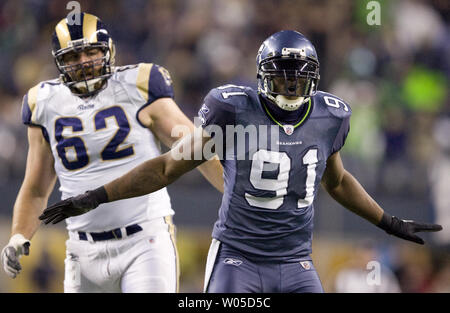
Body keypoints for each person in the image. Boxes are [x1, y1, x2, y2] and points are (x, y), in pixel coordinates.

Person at [38, 30, 442, 293]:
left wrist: (387, 221)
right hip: (239, 258)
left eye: (297, 77)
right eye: (281, 76)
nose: (289, 85)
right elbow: (165, 167)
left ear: (313, 79)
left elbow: (336, 182)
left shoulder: (330, 115)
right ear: (263, 76)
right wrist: (98, 195)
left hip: (297, 261)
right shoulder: (231, 109)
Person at [1, 13, 223, 293]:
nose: (83, 64)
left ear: (107, 51)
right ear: (59, 62)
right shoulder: (43, 103)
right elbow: (35, 189)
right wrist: (19, 234)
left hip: (144, 241)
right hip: (81, 248)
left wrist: (235, 196)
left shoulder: (138, 85)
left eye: (91, 52)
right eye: (73, 57)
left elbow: (195, 149)